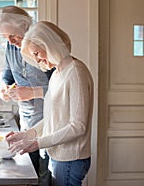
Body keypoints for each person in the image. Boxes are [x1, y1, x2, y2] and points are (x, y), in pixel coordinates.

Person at [6, 21, 94, 186]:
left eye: (37, 53)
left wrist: (37, 143)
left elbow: (78, 126)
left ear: (50, 45)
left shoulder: (75, 72)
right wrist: (27, 135)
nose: (38, 60)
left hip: (70, 159)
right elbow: (53, 118)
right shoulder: (57, 73)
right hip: (58, 156)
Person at [0, 6, 53, 186]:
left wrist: (32, 92)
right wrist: (4, 88)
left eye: (13, 36)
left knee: (45, 175)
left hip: (49, 120)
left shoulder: (43, 46)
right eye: (5, 37)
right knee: (29, 171)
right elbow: (7, 76)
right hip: (26, 119)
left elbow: (61, 87)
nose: (10, 41)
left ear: (26, 25)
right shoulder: (11, 48)